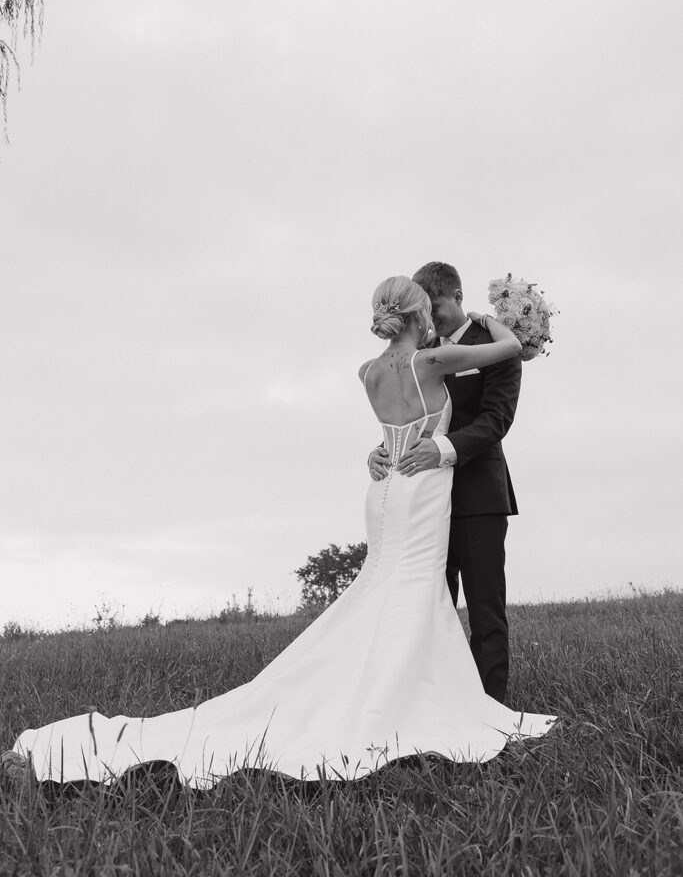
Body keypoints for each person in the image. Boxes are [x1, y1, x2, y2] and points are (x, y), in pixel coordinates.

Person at [2, 276, 554, 789]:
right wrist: (498, 317)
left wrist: (386, 447)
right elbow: (508, 349)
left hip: (386, 491)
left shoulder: (368, 372)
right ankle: (399, 701)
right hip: (421, 487)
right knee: (408, 591)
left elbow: (392, 432)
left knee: (388, 589)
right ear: (418, 315)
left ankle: (407, 689)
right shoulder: (433, 360)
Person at [368, 262, 520, 703]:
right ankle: (431, 704)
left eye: (437, 307)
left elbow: (497, 420)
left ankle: (489, 708)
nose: (432, 318)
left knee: (485, 611)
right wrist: (381, 450)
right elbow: (406, 415)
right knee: (426, 607)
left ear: (457, 296)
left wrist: (445, 448)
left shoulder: (490, 345)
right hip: (421, 499)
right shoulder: (420, 349)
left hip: (477, 494)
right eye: (426, 311)